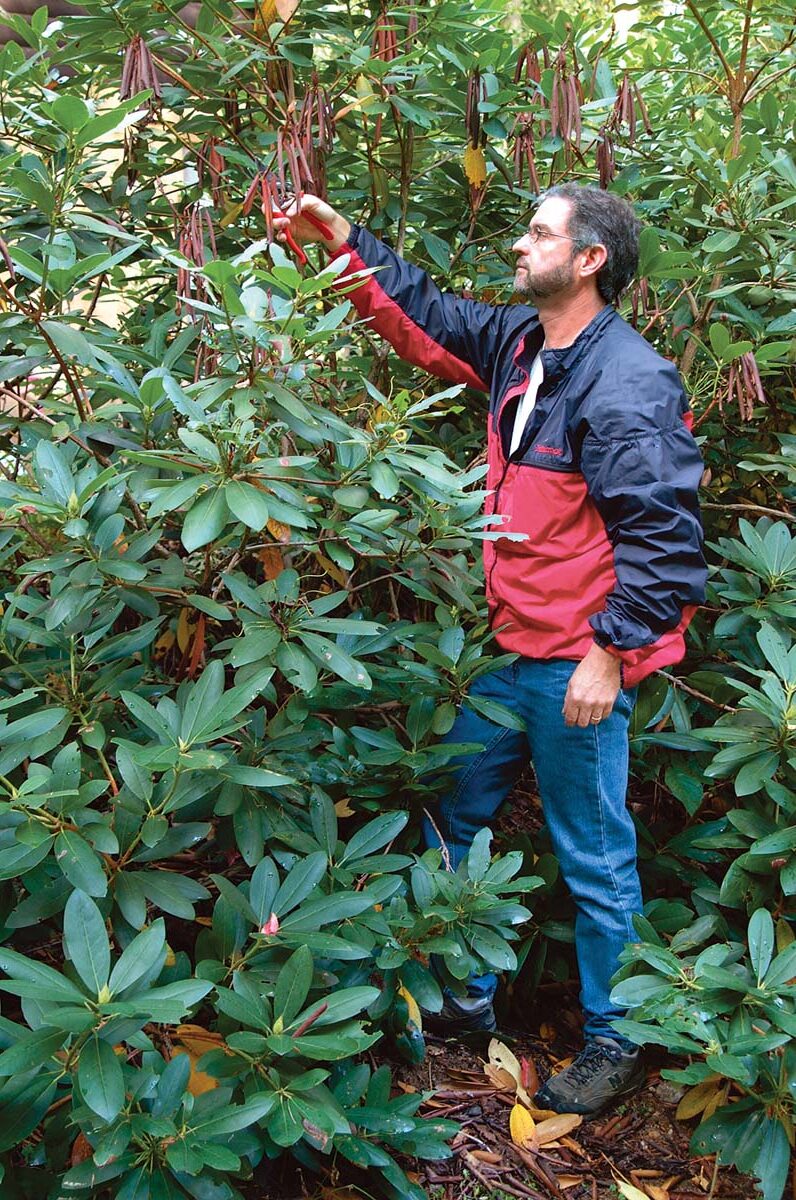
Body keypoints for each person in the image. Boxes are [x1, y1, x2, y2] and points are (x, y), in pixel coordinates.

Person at [273, 185, 707, 1116]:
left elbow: (665, 537)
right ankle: (464, 994)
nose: (521, 244)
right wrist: (345, 237)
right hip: (513, 653)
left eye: (541, 233)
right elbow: (428, 317)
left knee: (594, 854)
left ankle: (617, 1037)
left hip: (577, 663)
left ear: (589, 260)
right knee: (450, 813)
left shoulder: (626, 381)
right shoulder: (524, 344)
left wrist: (611, 654)